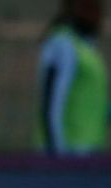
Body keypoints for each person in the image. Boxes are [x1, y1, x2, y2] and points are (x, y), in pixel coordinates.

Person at [36, 0, 109, 156]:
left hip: (87, 151)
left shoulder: (87, 48)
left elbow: (92, 104)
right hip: (66, 156)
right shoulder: (63, 44)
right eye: (89, 8)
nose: (97, 15)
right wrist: (57, 154)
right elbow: (51, 103)